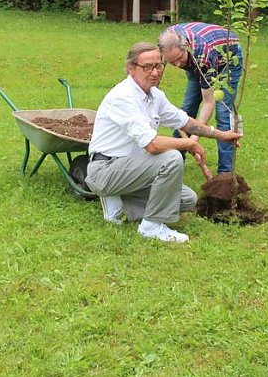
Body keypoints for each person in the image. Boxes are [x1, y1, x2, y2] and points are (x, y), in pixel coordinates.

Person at [85, 42, 242, 242]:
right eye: (147, 67)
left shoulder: (155, 96)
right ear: (130, 69)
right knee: (171, 158)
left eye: (159, 66)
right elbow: (152, 145)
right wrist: (189, 144)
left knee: (186, 199)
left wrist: (221, 135)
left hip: (133, 170)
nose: (155, 72)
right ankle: (151, 226)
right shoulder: (122, 97)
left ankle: (119, 200)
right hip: (106, 169)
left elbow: (184, 121)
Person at [158, 22, 243, 173]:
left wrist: (194, 139)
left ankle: (225, 173)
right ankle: (175, 162)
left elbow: (208, 102)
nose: (178, 65)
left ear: (185, 46)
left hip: (229, 59)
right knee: (186, 110)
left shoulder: (203, 55)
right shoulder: (165, 44)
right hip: (195, 61)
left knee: (223, 112)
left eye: (179, 58)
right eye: (171, 62)